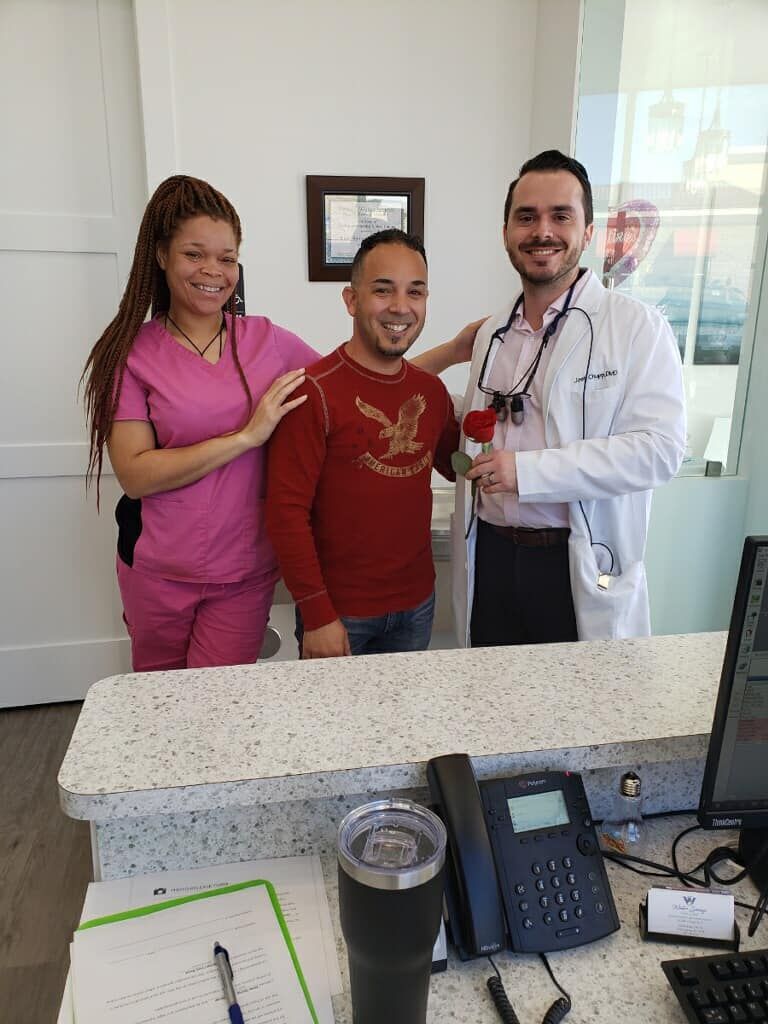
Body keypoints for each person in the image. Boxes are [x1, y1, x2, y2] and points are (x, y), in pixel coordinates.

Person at [82, 175, 318, 671]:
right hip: (157, 573)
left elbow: (352, 382)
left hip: (244, 570)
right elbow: (136, 473)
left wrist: (448, 355)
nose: (214, 271)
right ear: (162, 255)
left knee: (220, 714)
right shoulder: (132, 353)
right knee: (160, 708)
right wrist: (246, 437)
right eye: (195, 254)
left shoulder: (265, 340)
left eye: (227, 258)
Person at [453, 150, 686, 646]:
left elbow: (659, 451)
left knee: (581, 716)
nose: (542, 231)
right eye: (526, 217)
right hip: (491, 558)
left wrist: (530, 471)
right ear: (506, 234)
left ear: (587, 232)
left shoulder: (635, 327)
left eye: (561, 215)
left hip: (573, 565)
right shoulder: (493, 332)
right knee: (489, 710)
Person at [265, 229, 474, 659]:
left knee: (403, 723)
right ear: (351, 300)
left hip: (417, 604)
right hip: (340, 613)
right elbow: (285, 513)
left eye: (415, 292)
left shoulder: (431, 393)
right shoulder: (314, 393)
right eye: (383, 290)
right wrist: (318, 613)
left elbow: (458, 466)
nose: (401, 306)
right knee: (335, 726)